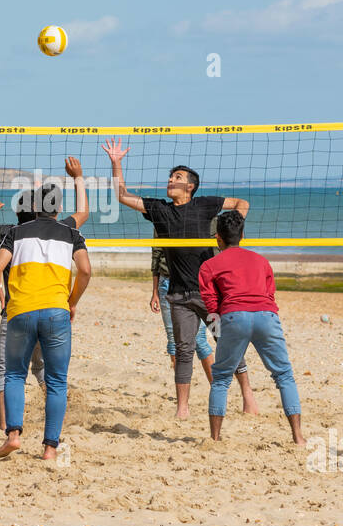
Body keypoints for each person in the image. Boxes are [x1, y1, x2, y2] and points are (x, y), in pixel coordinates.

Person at [103, 137, 257, 420]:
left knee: (226, 341)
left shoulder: (204, 205)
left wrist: (230, 242)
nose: (169, 180)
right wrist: (116, 163)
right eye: (170, 177)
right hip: (179, 294)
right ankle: (182, 408)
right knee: (184, 350)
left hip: (208, 293)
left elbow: (241, 202)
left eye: (176, 177)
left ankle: (247, 394)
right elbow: (123, 195)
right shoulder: (161, 210)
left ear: (190, 186)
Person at [0, 157, 89, 430]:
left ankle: (7, 427)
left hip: (18, 310)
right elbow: (83, 216)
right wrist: (78, 178)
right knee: (45, 371)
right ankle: (55, 426)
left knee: (8, 371)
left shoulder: (8, 231)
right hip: (53, 308)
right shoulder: (62, 230)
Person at [0, 182, 90, 461]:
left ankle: (14, 436)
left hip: (21, 311)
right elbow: (86, 271)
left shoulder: (16, 232)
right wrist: (73, 301)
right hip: (56, 311)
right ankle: (50, 449)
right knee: (57, 381)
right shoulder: (71, 233)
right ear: (59, 209)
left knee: (14, 374)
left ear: (33, 207)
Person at [198, 211, 304, 444]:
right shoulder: (262, 261)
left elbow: (211, 304)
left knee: (221, 378)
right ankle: (298, 438)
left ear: (218, 238)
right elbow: (270, 293)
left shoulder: (209, 265)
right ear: (243, 235)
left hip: (234, 316)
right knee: (284, 375)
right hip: (267, 315)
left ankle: (214, 439)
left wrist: (219, 328)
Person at [152, 245, 214, 384]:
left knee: (200, 340)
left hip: (196, 281)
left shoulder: (204, 223)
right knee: (174, 341)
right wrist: (154, 291)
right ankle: (183, 394)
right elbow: (156, 256)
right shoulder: (162, 224)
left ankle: (216, 388)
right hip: (168, 282)